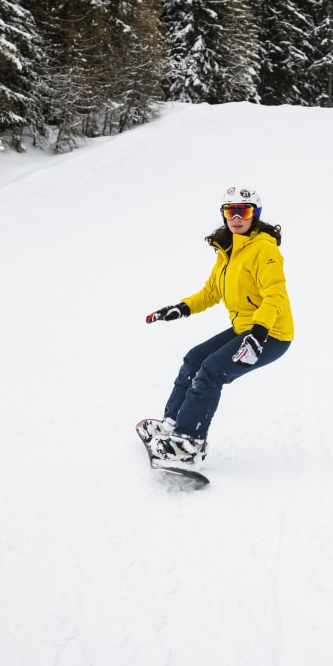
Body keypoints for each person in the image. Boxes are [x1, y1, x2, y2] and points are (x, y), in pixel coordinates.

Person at [141, 186, 293, 462]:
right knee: (195, 358)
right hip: (244, 328)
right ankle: (173, 425)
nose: (236, 217)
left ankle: (189, 443)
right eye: (230, 211)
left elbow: (275, 295)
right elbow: (211, 292)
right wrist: (181, 308)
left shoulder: (263, 250)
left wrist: (258, 335)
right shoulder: (229, 250)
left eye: (243, 211)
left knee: (212, 371)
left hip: (271, 332)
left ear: (254, 214)